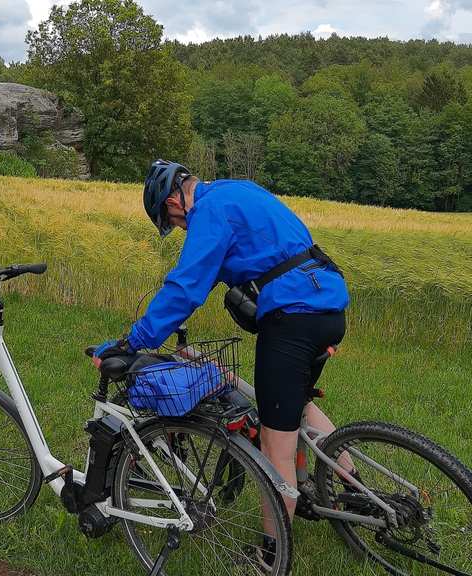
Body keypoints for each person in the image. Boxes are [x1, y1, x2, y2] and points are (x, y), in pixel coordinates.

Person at [93, 159, 350, 569]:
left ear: (174, 201)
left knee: (273, 442)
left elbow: (185, 286)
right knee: (295, 403)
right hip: (327, 304)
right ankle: (349, 489)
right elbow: (210, 275)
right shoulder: (235, 190)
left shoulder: (208, 213)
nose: (178, 228)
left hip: (295, 316)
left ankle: (271, 556)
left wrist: (133, 342)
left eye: (171, 221)